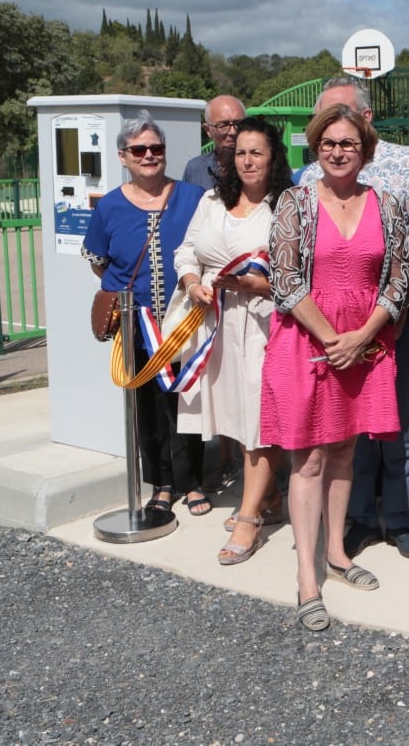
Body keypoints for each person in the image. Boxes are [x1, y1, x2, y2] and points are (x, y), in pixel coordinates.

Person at [259, 104, 409, 631]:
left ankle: (338, 554)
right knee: (308, 460)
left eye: (348, 143)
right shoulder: (295, 202)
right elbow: (284, 279)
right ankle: (306, 577)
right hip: (307, 340)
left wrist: (362, 336)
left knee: (345, 449)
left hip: (363, 344)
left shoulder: (387, 204)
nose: (339, 151)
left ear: (365, 151)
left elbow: (398, 280)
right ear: (316, 147)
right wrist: (331, 338)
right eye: (329, 143)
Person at [299, 77, 409, 562]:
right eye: (323, 129)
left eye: (340, 122)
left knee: (396, 415)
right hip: (330, 325)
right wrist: (335, 333)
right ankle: (354, 520)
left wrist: (384, 321)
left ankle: (399, 519)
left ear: (366, 119)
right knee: (343, 420)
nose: (331, 139)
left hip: (392, 316)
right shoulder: (304, 178)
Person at [174, 117, 293, 565]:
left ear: (273, 157)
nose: (246, 160)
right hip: (215, 323)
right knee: (237, 418)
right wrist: (191, 282)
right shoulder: (211, 200)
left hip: (265, 324)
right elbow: (187, 251)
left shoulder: (287, 206)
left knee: (259, 421)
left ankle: (248, 517)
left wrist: (258, 287)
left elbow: (300, 274)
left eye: (256, 152)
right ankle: (272, 501)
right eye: (240, 152)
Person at [81, 111, 207, 514]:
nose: (149, 155)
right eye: (140, 149)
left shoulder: (193, 197)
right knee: (147, 406)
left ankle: (193, 481)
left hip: (184, 319)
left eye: (157, 148)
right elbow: (98, 261)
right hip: (136, 324)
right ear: (123, 156)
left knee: (187, 400)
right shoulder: (110, 206)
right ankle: (162, 482)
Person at [183, 95, 246, 190]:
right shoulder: (196, 169)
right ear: (208, 130)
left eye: (238, 124)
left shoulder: (257, 167)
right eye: (223, 125)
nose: (232, 132)